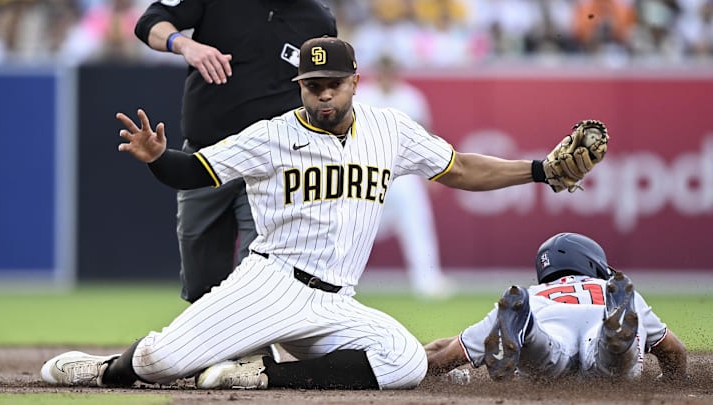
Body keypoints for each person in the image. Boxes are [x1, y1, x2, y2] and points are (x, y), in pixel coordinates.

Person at [40, 37, 602, 391]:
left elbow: (461, 169)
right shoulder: (270, 136)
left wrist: (539, 171)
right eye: (311, 87)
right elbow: (193, 172)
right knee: (161, 361)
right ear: (300, 88)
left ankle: (262, 375)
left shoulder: (389, 129)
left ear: (355, 82)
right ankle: (104, 369)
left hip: (335, 300)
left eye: (332, 85)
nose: (322, 97)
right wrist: (160, 158)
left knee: (405, 362)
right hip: (269, 284)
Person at [133, 0, 337, 303]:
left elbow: (327, 88)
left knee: (259, 268)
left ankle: (254, 344)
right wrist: (184, 44)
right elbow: (149, 22)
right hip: (206, 154)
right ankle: (209, 343)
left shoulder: (318, 19)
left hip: (271, 164)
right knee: (199, 271)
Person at [425, 232, 688, 383]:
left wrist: (420, 367)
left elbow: (449, 352)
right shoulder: (616, 292)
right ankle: (611, 338)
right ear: (593, 264)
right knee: (610, 360)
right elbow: (673, 350)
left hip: (544, 322)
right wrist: (672, 380)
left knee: (546, 352)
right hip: (601, 316)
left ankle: (527, 330)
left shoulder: (532, 294)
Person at [355, 54, 452, 298]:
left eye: (391, 71)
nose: (387, 76)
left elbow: (426, 136)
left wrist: (433, 172)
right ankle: (341, 279)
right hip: (370, 170)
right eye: (383, 71)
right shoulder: (362, 95)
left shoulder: (410, 97)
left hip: (405, 172)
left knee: (417, 223)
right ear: (377, 72)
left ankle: (427, 281)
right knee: (357, 224)